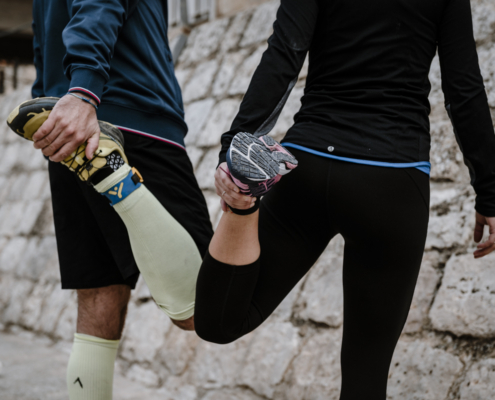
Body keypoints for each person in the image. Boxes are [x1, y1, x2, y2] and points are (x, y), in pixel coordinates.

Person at [193, 0, 495, 398]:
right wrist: (488, 191)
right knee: (365, 375)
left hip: (311, 165)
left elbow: (284, 52)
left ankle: (243, 201)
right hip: (393, 180)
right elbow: (464, 88)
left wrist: (235, 147)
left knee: (218, 322)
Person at [7, 0, 213, 398]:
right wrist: (84, 91)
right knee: (203, 308)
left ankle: (108, 171)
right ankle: (117, 178)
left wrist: (54, 100)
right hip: (125, 113)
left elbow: (42, 38)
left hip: (64, 126)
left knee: (99, 295)